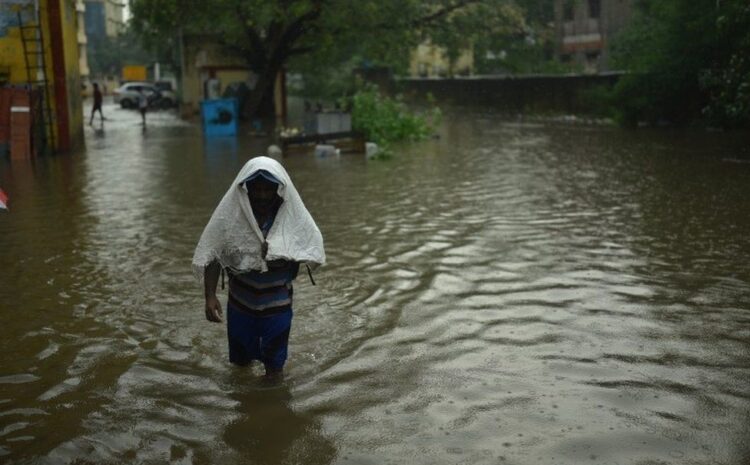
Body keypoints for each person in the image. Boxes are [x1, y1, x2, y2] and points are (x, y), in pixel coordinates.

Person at [192, 157, 325, 380]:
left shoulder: (288, 218)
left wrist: (276, 257)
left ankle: (270, 408)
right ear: (246, 188)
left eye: (268, 189)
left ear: (278, 189)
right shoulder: (233, 216)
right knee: (240, 365)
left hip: (277, 307)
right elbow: (214, 253)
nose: (262, 195)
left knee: (275, 369)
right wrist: (210, 296)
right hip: (240, 306)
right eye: (257, 189)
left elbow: (299, 259)